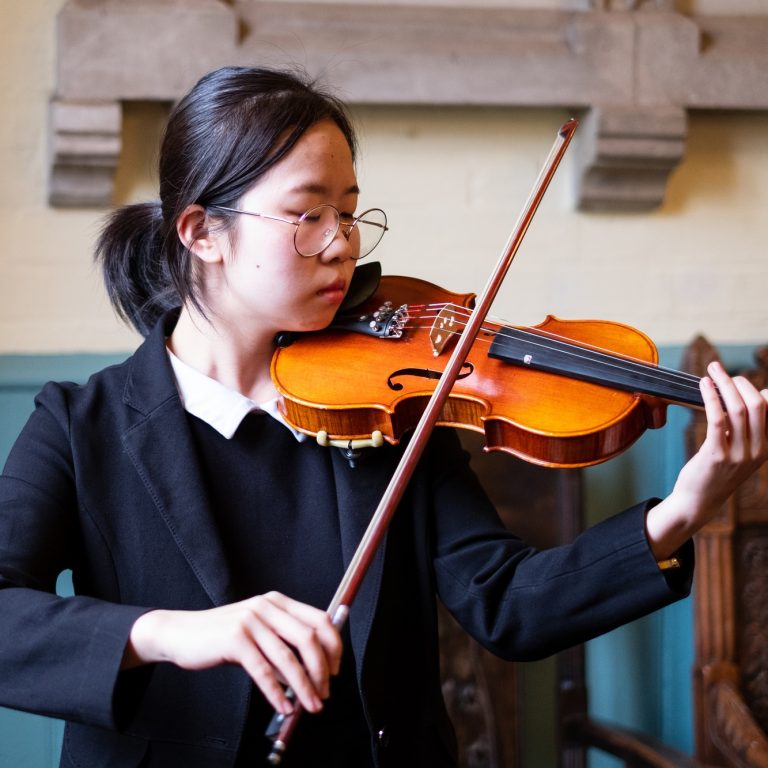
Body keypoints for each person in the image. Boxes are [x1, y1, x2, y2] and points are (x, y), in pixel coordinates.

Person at [0, 65, 766, 768]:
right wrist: (170, 632)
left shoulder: (385, 406)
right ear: (203, 233)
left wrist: (685, 509)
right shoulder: (80, 424)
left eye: (348, 210)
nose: (343, 245)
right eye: (306, 215)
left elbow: (506, 602)